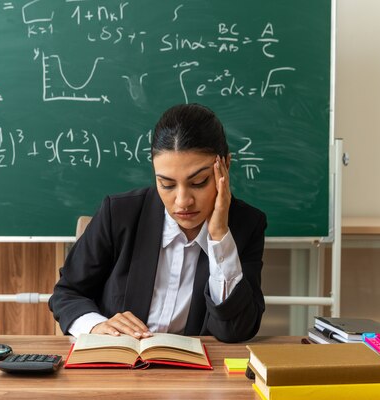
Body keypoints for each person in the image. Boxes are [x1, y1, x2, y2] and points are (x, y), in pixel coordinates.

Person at [50, 103, 266, 343]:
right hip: (118, 367)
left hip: (196, 375)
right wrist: (98, 325)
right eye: (167, 184)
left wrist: (219, 237)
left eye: (199, 182)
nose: (183, 201)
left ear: (225, 166)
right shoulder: (119, 213)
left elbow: (236, 330)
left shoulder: (246, 225)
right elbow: (66, 293)